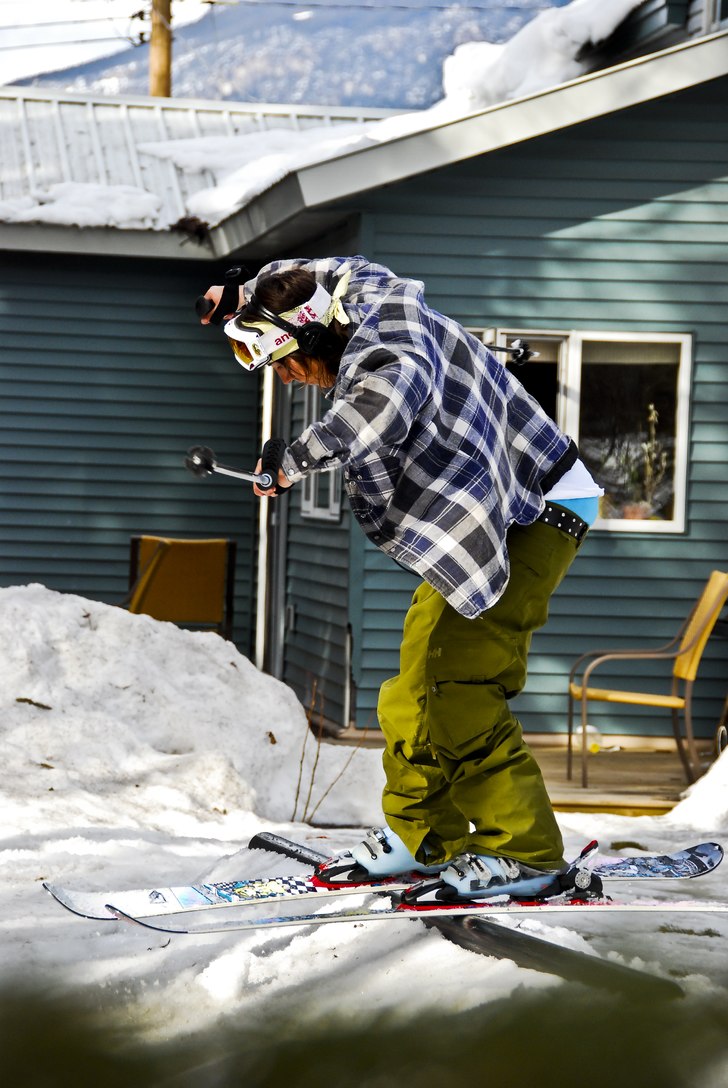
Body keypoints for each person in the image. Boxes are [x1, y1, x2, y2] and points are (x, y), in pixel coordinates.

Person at [199, 256, 603, 904]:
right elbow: (324, 268)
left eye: (280, 361)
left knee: (460, 680)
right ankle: (424, 837)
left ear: (306, 341)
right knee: (413, 682)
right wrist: (242, 293)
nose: (284, 376)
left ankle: (522, 850)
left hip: (534, 502)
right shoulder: (361, 292)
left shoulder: (388, 359)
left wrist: (295, 461)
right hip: (483, 509)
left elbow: (378, 409)